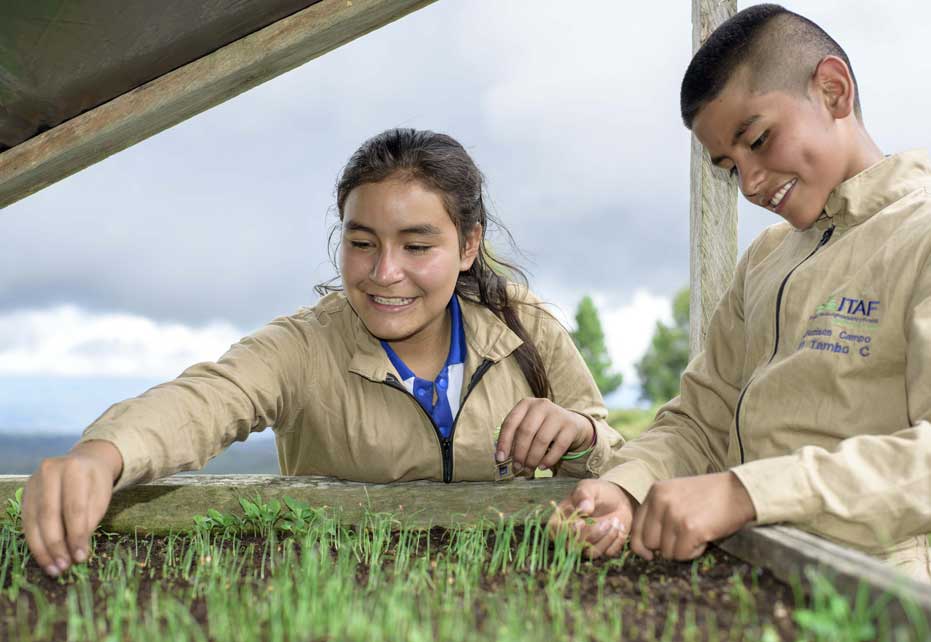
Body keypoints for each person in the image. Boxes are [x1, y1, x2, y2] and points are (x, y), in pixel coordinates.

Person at [23, 128, 623, 578]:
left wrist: (580, 436)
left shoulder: (524, 327)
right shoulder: (304, 346)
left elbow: (615, 462)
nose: (385, 273)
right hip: (339, 598)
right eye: (362, 243)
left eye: (417, 247)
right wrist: (102, 455)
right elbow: (205, 400)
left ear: (468, 246)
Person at [551, 4, 931, 581]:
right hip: (749, 575)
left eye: (758, 139)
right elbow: (702, 420)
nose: (750, 183)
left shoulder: (918, 234)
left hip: (880, 592)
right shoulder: (766, 259)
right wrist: (625, 486)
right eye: (729, 166)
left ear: (833, 91)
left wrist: (743, 493)